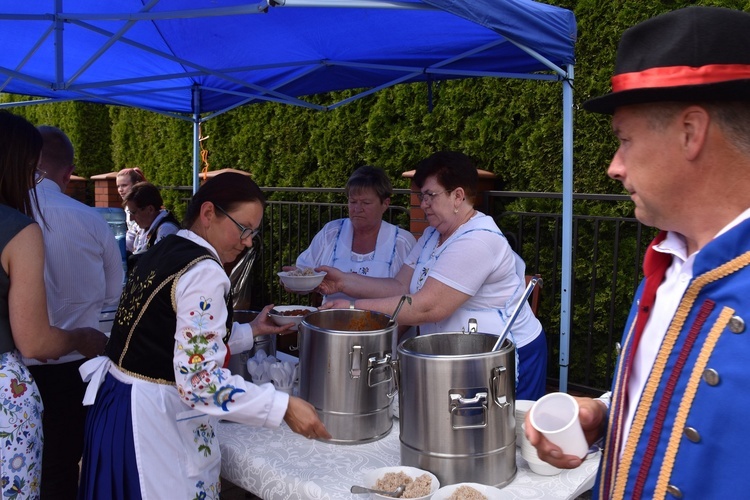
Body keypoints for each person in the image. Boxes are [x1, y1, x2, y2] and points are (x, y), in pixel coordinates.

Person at [525, 6, 750, 499]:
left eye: (624, 141)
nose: (614, 166)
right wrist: (606, 414)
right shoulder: (669, 260)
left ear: (691, 132)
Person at [77, 171, 330, 499]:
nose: (248, 241)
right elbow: (199, 381)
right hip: (151, 423)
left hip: (118, 404)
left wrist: (252, 330)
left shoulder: (167, 248)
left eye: (253, 232)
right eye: (243, 229)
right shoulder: (205, 273)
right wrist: (282, 405)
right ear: (209, 213)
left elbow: (170, 336)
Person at [318, 152, 547, 400]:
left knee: (506, 433)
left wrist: (354, 309)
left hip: (503, 356)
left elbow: (428, 307)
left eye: (429, 195)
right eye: (420, 196)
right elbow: (400, 285)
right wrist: (343, 281)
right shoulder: (431, 235)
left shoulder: (479, 240)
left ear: (458, 196)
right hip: (461, 354)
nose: (422, 203)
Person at [0, 111, 108, 498]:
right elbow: (35, 343)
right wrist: (81, 336)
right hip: (10, 394)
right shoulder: (18, 227)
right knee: (57, 471)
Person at [23, 125, 124, 500]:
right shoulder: (92, 221)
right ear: (68, 174)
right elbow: (114, 293)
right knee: (63, 469)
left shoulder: (12, 214)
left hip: (17, 367)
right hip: (77, 365)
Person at [291, 165, 416, 304]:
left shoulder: (401, 242)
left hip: (382, 324)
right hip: (331, 321)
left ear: (385, 204)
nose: (357, 209)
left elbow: (411, 298)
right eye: (353, 202)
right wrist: (294, 281)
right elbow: (305, 272)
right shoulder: (331, 232)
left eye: (366, 203)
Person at [122, 181, 180, 255]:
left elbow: (157, 261)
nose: (131, 218)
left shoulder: (166, 229)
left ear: (150, 209)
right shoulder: (139, 226)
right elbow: (123, 247)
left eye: (134, 212)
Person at [116, 167, 147, 253]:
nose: (120, 190)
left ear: (136, 185)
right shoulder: (127, 207)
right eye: (118, 186)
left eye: (124, 185)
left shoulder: (143, 205)